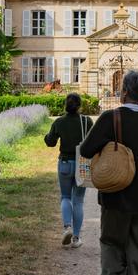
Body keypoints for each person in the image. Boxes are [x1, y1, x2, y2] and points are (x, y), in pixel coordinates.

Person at [79, 71, 138, 275]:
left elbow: (86, 149)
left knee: (111, 242)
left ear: (124, 91)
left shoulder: (109, 117)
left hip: (116, 194)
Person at [44, 93, 94, 248]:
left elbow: (50, 142)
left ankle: (67, 227)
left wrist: (47, 136)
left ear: (65, 105)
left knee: (65, 197)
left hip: (65, 163)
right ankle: (76, 238)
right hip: (82, 164)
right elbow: (94, 141)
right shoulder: (86, 121)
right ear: (80, 105)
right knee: (78, 200)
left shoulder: (59, 122)